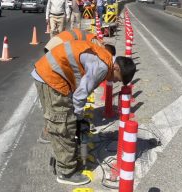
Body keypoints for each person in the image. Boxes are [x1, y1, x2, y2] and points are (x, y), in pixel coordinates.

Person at [31, 41, 136, 186]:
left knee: (63, 121)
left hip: (50, 73)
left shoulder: (105, 55)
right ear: (116, 67)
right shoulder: (103, 67)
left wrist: (76, 115)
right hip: (52, 78)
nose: (114, 81)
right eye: (117, 78)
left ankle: (63, 157)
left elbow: (81, 85)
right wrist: (78, 119)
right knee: (64, 125)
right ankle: (66, 172)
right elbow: (81, 94)